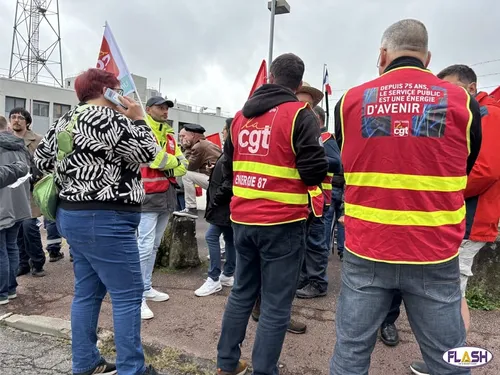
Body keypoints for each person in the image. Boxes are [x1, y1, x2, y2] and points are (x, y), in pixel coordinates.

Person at [330, 19, 482, 375]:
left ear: (382, 55)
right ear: (428, 58)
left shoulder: (349, 101)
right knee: (450, 358)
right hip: (434, 250)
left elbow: (347, 157)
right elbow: (465, 164)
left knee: (351, 352)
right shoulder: (461, 100)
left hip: (367, 247)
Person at [34, 68, 166, 375]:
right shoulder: (112, 119)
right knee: (127, 296)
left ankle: (85, 362)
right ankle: (132, 369)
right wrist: (137, 118)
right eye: (118, 90)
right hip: (107, 217)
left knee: (87, 292)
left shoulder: (66, 119)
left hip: (71, 214)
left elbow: (41, 159)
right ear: (108, 91)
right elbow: (149, 153)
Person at [216, 53, 328, 375]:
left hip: (243, 220)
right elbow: (313, 171)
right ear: (299, 83)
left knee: (241, 293)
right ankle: (264, 369)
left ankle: (226, 364)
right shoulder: (300, 115)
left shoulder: (239, 118)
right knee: (277, 305)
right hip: (283, 223)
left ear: (272, 76)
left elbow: (229, 166)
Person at [409, 64, 500, 375]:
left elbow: (484, 170)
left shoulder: (489, 116)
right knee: (451, 293)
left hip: (470, 217)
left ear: (471, 89)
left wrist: (440, 193)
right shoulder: (479, 114)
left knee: (451, 295)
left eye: (451, 88)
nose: (445, 96)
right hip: (466, 215)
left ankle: (451, 365)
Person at [138, 96, 188, 320]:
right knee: (144, 246)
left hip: (165, 196)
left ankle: (147, 287)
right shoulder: (142, 130)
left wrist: (169, 163)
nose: (166, 111)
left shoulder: (168, 134)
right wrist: (171, 163)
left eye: (167, 108)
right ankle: (137, 296)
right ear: (148, 109)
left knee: (154, 246)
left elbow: (183, 165)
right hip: (146, 197)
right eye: (161, 107)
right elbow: (151, 159)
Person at [297, 103, 342, 299]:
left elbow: (337, 163)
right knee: (305, 242)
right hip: (304, 199)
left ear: (318, 119)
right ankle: (305, 278)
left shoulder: (326, 139)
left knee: (316, 243)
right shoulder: (309, 138)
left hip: (318, 201)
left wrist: (313, 157)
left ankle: (317, 282)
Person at [195, 118, 236, 297]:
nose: (223, 132)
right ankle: (227, 274)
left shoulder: (232, 151)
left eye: (225, 129)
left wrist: (216, 199)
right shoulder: (230, 150)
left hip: (223, 204)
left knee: (212, 236)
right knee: (229, 238)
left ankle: (213, 278)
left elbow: (229, 181)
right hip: (225, 204)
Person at [9, 108, 47, 277]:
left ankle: (37, 262)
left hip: (31, 188)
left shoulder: (37, 140)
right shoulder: (6, 140)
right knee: (16, 229)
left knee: (29, 226)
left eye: (20, 118)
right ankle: (22, 263)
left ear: (27, 122)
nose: (16, 120)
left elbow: (47, 162)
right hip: (12, 190)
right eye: (13, 117)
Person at [0, 116, 31, 305]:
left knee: (2, 250)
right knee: (11, 247)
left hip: (3, 203)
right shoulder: (21, 145)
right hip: (19, 203)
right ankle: (10, 289)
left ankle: (2, 292)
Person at [173, 124, 221, 219]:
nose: (181, 139)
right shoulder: (206, 143)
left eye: (183, 136)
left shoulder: (199, 146)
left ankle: (191, 208)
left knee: (186, 175)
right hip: (218, 180)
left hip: (215, 181)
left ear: (193, 135)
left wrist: (186, 148)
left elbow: (188, 166)